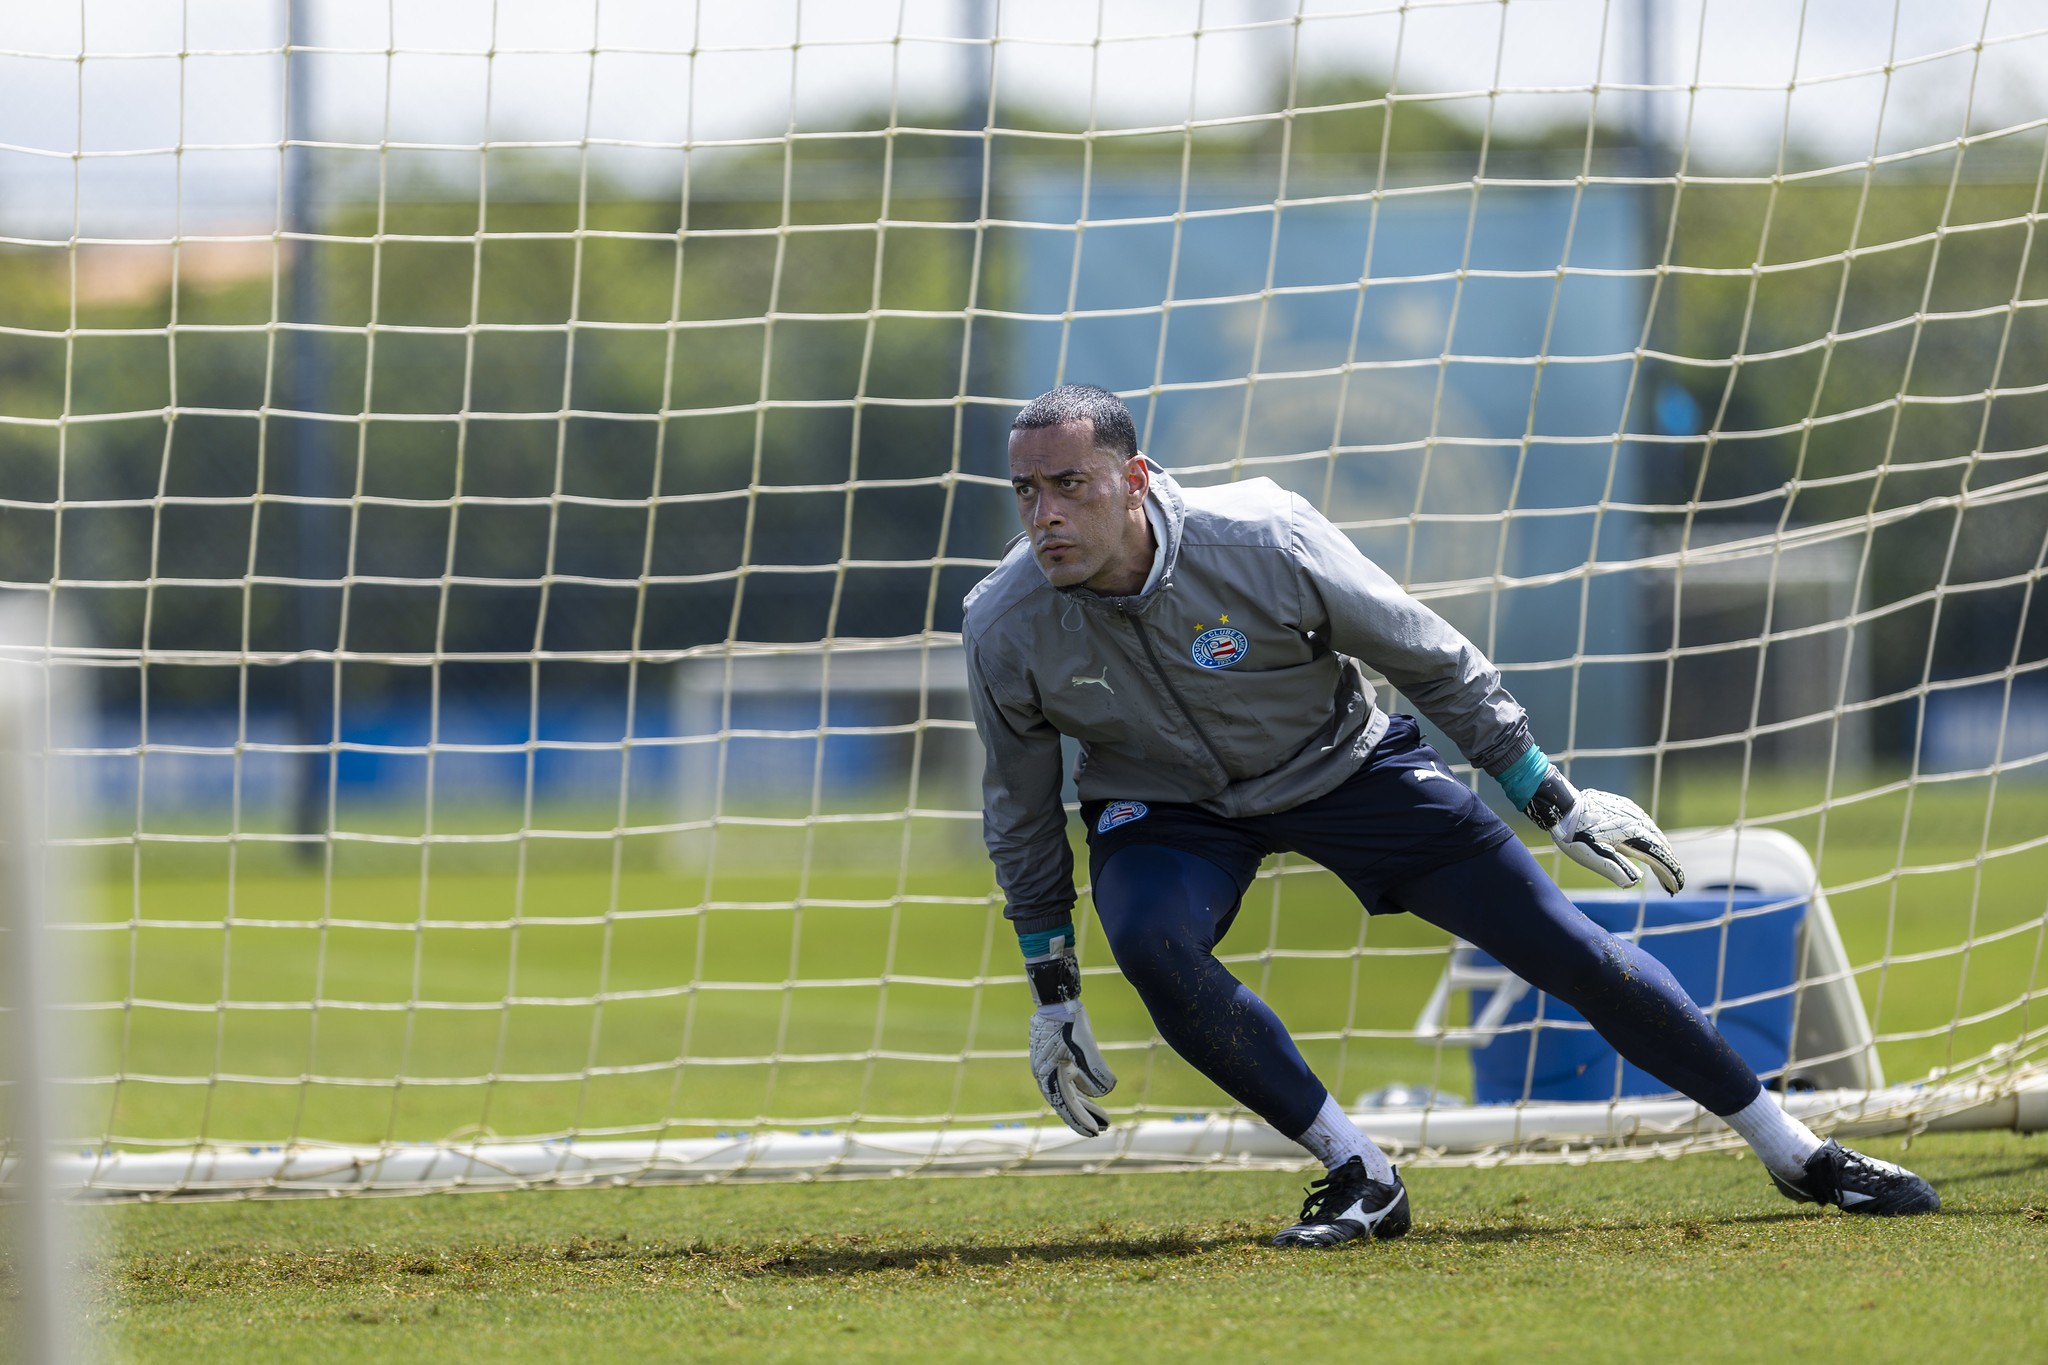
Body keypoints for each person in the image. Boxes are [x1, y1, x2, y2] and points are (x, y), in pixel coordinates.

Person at [962, 384, 1938, 1248]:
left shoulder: (1262, 536)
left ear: (1134, 478)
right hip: (1166, 806)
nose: (1043, 515)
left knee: (1566, 947)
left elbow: (1427, 657)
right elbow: (1016, 804)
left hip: (1341, 765)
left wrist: (1544, 795)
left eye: (1068, 485)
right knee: (1149, 942)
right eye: (1025, 493)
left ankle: (1795, 1152)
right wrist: (1051, 984)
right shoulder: (1003, 621)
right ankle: (1361, 1174)